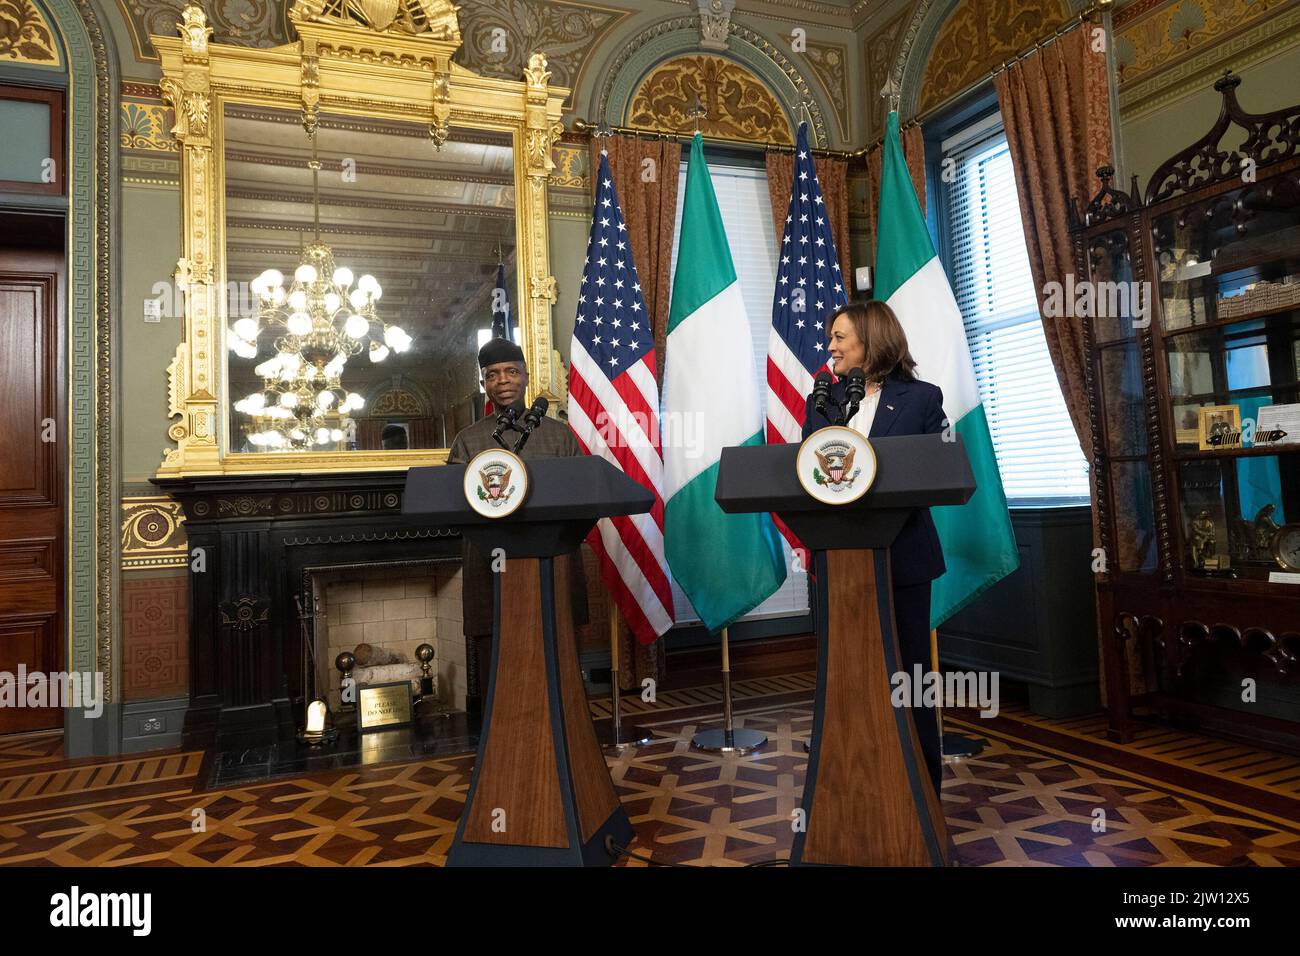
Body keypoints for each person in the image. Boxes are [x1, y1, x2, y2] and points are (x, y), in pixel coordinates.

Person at [801, 300, 948, 793]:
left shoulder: (922, 399)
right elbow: (810, 477)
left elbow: (937, 473)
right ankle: (848, 786)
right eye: (831, 337)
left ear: (872, 339)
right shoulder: (821, 401)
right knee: (846, 673)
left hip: (903, 558)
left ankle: (921, 789)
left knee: (909, 673)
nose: (831, 347)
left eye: (840, 337)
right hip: (837, 560)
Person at [447, 337, 587, 717]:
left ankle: (562, 718)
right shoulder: (469, 439)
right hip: (492, 564)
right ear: (484, 385)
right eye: (493, 375)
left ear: (525, 377)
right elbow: (454, 501)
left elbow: (579, 496)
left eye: (511, 371)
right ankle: (503, 724)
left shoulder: (558, 435)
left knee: (555, 650)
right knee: (498, 656)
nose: (503, 380)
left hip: (550, 561)